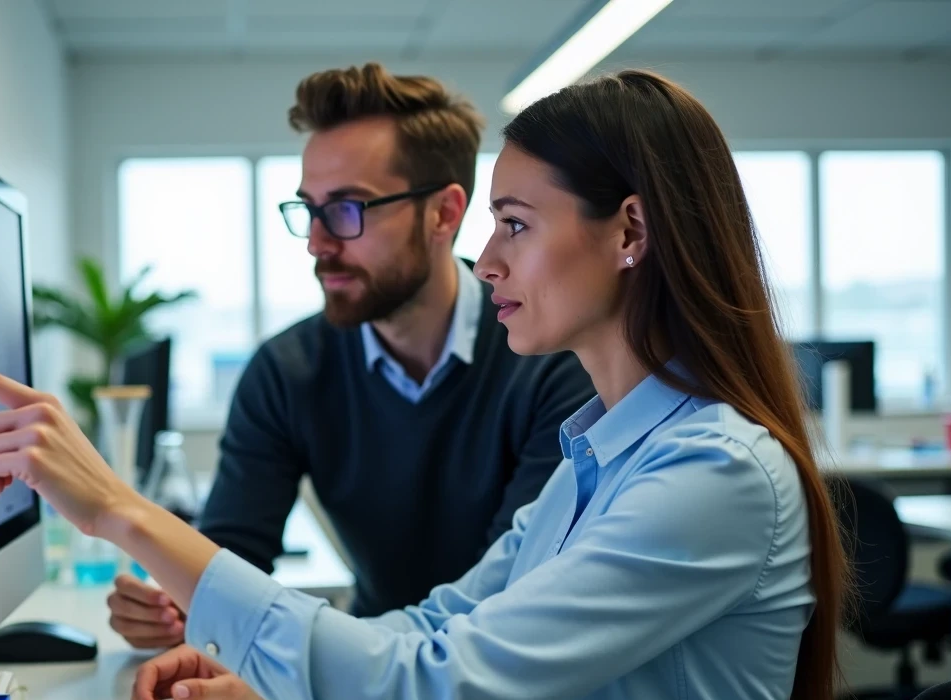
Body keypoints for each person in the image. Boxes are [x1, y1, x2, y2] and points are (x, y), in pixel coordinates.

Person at [0, 69, 851, 700]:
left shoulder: (709, 476)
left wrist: (119, 511)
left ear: (631, 233)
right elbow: (442, 623)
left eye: (517, 225)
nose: (488, 260)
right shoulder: (598, 455)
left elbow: (423, 695)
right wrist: (267, 677)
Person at [106, 62, 593, 650]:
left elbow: (509, 597)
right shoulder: (286, 371)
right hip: (371, 669)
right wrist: (184, 604)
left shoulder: (552, 361)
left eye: (348, 209)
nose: (317, 242)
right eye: (309, 209)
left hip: (504, 684)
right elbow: (234, 559)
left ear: (444, 213)